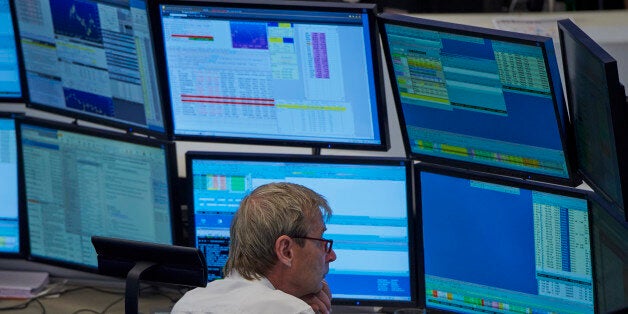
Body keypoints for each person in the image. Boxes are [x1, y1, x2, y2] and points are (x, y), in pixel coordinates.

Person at [171, 182, 337, 314]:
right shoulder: (292, 310)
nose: (332, 256)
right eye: (321, 241)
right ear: (286, 250)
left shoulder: (188, 303)